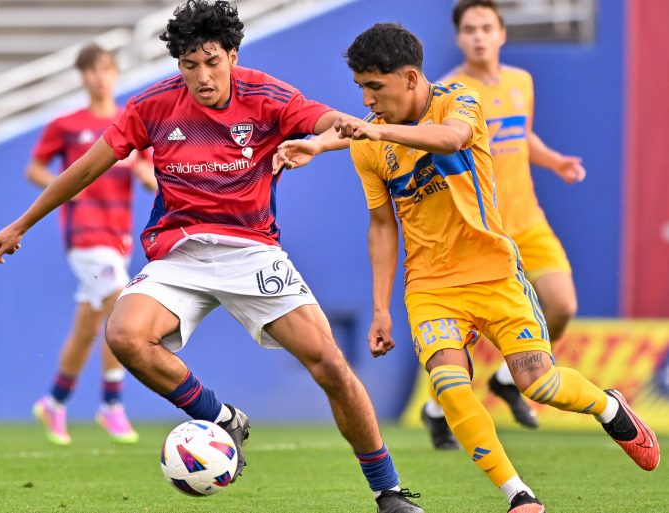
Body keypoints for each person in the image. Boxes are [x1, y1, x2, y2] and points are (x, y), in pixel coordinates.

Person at [0, 2, 423, 511]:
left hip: (252, 252)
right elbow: (86, 168)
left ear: (232, 56)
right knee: (124, 335)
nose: (203, 76)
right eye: (189, 65)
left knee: (329, 364)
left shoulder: (266, 95)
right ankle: (221, 419)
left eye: (213, 62)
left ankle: (388, 489)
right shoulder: (152, 105)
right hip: (179, 254)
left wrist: (334, 134)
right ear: (177, 65)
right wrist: (22, 223)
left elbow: (321, 118)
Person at [276, 22, 659, 513]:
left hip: (494, 273)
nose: (367, 100)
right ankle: (518, 495)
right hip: (431, 287)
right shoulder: (370, 146)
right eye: (361, 90)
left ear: (411, 78)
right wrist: (379, 309)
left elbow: (452, 139)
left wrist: (366, 132)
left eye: (375, 87)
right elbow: (381, 227)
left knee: (539, 383)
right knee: (451, 387)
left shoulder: (461, 99)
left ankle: (609, 407)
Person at [418, 0, 588, 448]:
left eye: (486, 27)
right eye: (470, 29)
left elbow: (519, 134)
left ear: (501, 33)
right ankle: (438, 409)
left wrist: (555, 162)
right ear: (459, 37)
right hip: (483, 229)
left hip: (528, 219)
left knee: (562, 305)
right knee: (470, 327)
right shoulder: (450, 91)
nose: (478, 36)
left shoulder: (521, 82)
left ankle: (508, 382)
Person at [26, 43, 157, 446]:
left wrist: (142, 171)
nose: (99, 77)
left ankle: (55, 401)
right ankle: (112, 404)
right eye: (91, 70)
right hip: (84, 238)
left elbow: (152, 177)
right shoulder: (67, 124)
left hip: (118, 238)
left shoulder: (131, 122)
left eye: (106, 69)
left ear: (116, 74)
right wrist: (66, 186)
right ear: (82, 77)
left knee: (86, 329)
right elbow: (34, 168)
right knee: (123, 301)